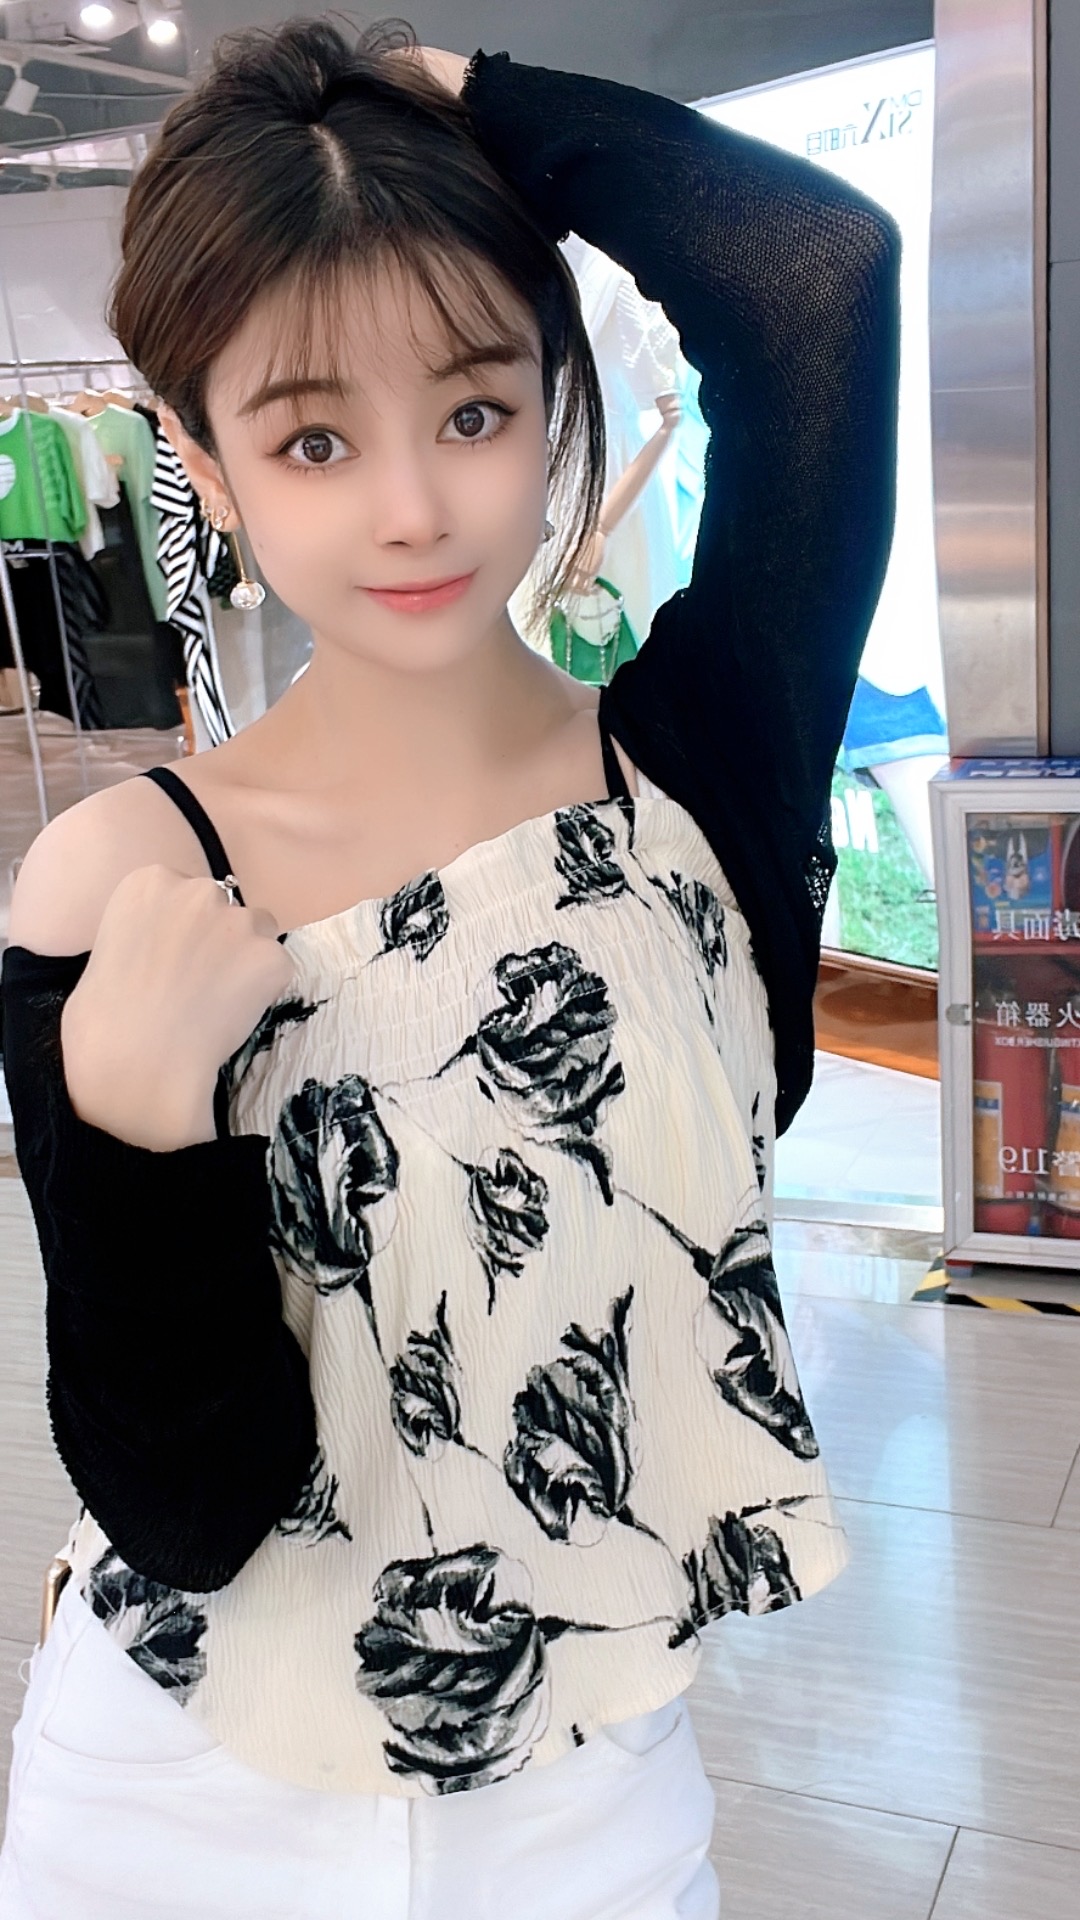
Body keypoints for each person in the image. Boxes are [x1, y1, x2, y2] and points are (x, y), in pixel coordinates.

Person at [0, 18, 900, 1919]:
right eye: (315, 438)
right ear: (204, 462)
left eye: (475, 412)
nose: (410, 506)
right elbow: (185, 1504)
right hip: (186, 1786)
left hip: (591, 1780)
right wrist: (139, 1124)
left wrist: (447, 95)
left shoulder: (700, 770)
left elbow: (820, 274)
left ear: (553, 402)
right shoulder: (128, 877)